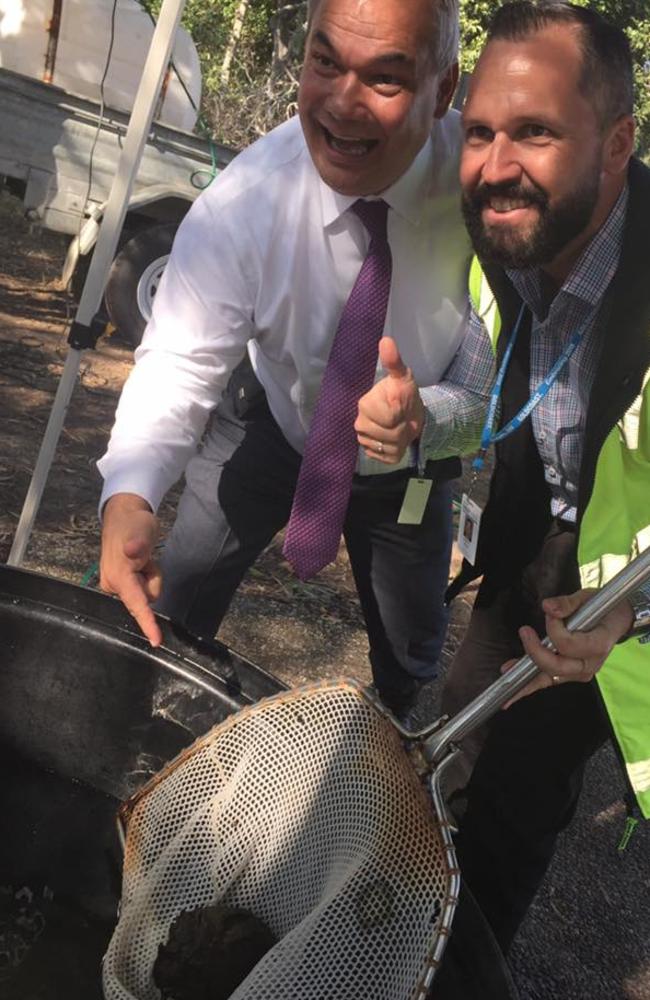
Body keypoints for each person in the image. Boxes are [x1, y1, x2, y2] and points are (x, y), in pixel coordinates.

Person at [97, 0, 479, 722]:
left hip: (412, 464)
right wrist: (128, 495)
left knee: (411, 645)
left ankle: (393, 743)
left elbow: (503, 392)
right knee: (177, 593)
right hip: (269, 422)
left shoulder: (486, 195)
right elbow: (179, 360)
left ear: (445, 89)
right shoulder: (246, 198)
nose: (341, 103)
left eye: (385, 80)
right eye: (324, 61)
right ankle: (150, 731)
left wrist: (434, 419)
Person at [427, 0, 650, 954]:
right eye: (479, 131)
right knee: (453, 757)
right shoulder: (501, 229)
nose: (493, 164)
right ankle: (418, 933)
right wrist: (413, 419)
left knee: (522, 808)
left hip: (626, 587)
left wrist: (631, 615)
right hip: (528, 549)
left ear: (615, 143)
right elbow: (481, 402)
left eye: (535, 132)